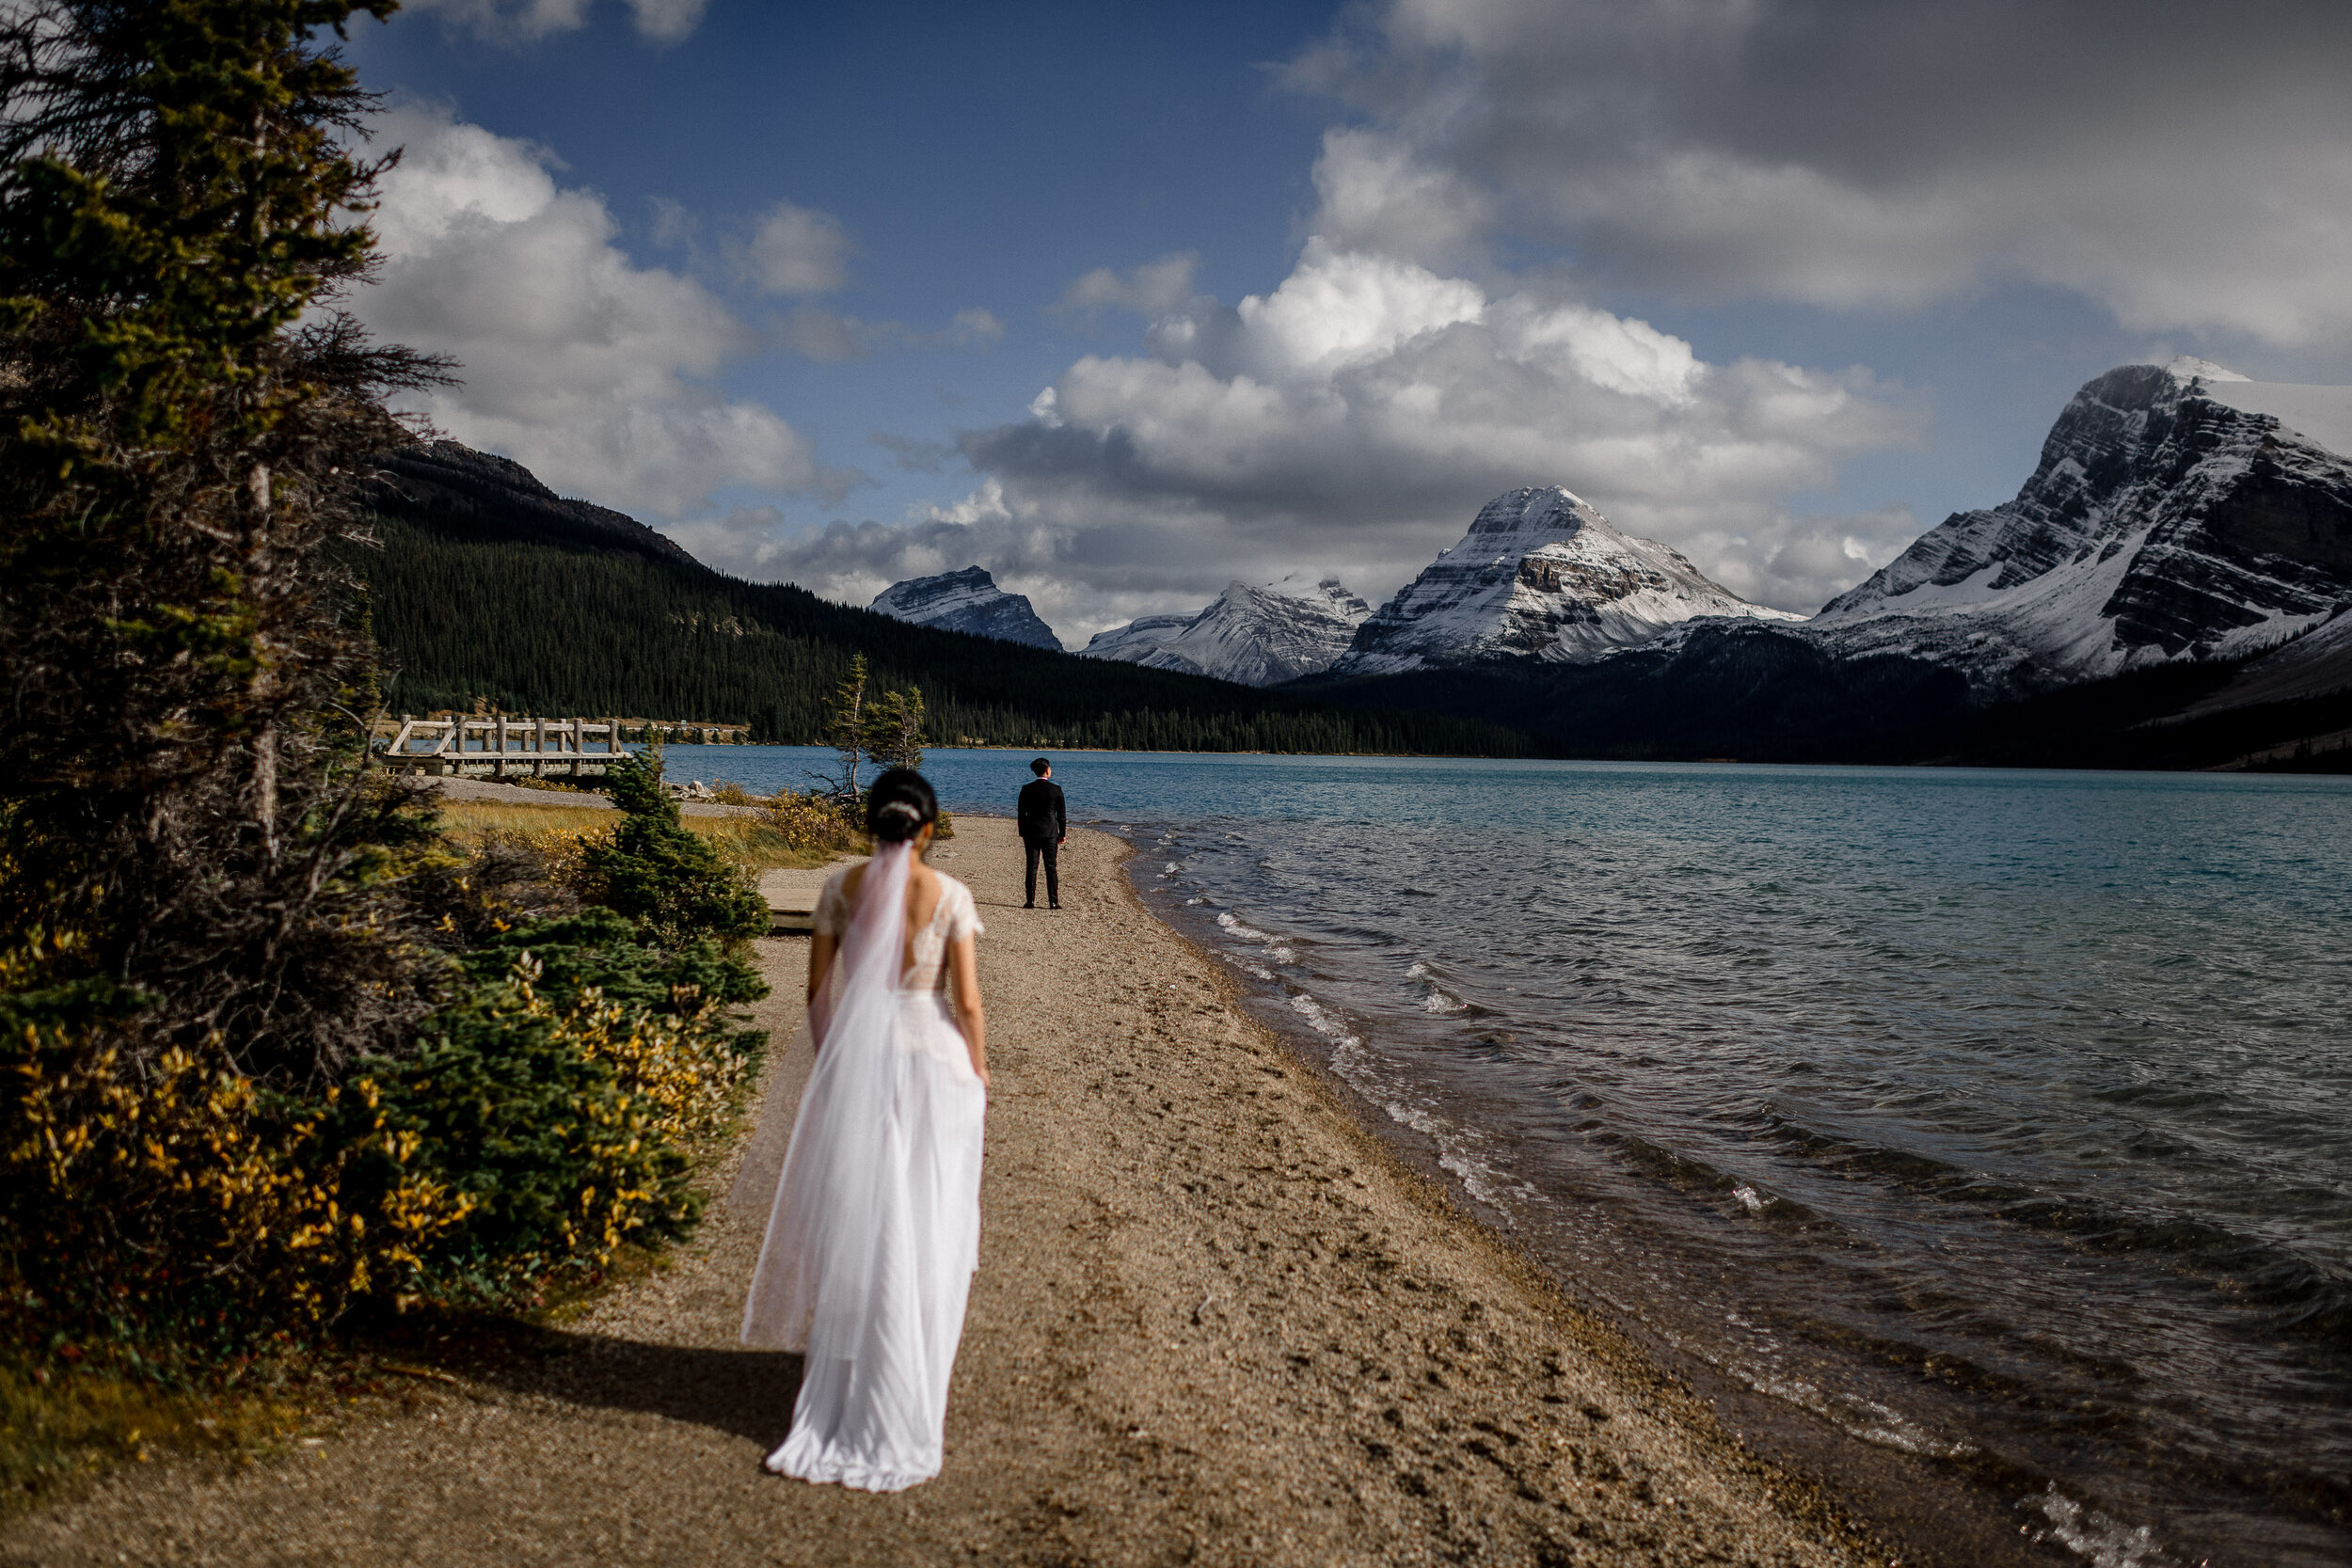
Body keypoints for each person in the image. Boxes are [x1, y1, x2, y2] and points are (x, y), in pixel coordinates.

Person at [740, 768, 989, 1491]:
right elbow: (966, 1003)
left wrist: (835, 1062)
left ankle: (856, 1370)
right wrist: (980, 1071)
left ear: (870, 825)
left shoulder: (837, 890)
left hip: (862, 1059)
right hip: (933, 1060)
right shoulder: (949, 894)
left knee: (869, 1217)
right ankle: (909, 1371)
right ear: (929, 830)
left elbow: (816, 991)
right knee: (930, 1215)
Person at [1016, 756, 1066, 910]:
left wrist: (1022, 831)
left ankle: (1030, 901)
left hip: (1031, 832)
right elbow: (1061, 815)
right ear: (1047, 770)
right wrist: (1062, 833)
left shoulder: (1026, 789)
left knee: (1032, 866)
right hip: (1050, 832)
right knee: (1050, 866)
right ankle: (1053, 901)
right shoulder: (1056, 790)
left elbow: (1021, 813)